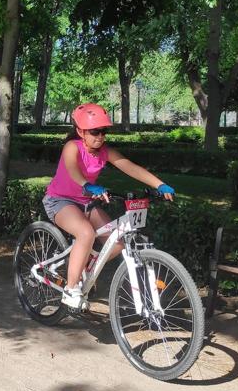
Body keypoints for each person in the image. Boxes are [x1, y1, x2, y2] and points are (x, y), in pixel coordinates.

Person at [42, 103, 175, 310]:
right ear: (80, 131)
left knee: (118, 242)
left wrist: (159, 184)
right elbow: (72, 169)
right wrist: (88, 185)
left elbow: (129, 166)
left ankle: (82, 266)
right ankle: (70, 289)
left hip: (86, 202)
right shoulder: (73, 146)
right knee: (86, 234)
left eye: (104, 131)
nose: (100, 136)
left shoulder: (105, 152)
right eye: (95, 131)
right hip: (60, 200)